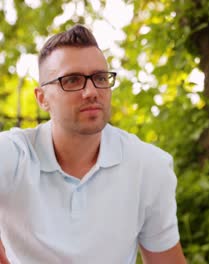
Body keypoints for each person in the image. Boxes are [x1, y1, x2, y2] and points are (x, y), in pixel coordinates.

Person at [0, 25, 186, 263]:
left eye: (99, 78)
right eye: (73, 80)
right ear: (42, 98)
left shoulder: (149, 166)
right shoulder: (13, 154)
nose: (91, 92)